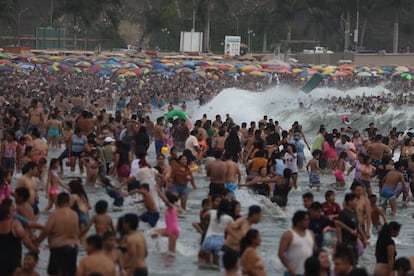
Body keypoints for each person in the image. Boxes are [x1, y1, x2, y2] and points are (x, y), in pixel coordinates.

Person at [36, 192, 79, 276]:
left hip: (59, 248)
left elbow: (46, 230)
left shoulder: (55, 214)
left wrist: (37, 242)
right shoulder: (74, 215)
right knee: (70, 272)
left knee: (55, 272)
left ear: (57, 202)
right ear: (69, 202)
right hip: (73, 247)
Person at [0, 204, 39, 276]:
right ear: (8, 215)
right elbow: (25, 239)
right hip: (13, 260)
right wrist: (34, 248)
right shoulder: (15, 224)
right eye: (11, 212)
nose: (13, 214)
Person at [278, 210, 315, 276]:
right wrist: (289, 267)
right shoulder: (288, 234)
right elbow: (281, 253)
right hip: (292, 272)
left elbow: (315, 251)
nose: (308, 222)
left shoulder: (311, 233)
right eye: (305, 220)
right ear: (298, 222)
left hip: (308, 272)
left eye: (308, 219)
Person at [335, 193, 367, 265]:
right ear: (349, 202)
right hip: (345, 242)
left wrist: (364, 238)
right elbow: (338, 225)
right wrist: (340, 241)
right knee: (346, 263)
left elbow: (358, 226)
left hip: (354, 242)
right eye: (356, 201)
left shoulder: (354, 212)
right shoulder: (343, 213)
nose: (357, 203)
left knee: (355, 263)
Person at [200, 199, 233, 265]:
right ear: (228, 208)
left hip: (208, 239)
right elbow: (233, 229)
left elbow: (203, 216)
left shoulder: (212, 212)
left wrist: (206, 224)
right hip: (220, 241)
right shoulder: (229, 218)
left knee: (206, 263)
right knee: (217, 265)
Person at [152, 188, 180, 253]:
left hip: (173, 230)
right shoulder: (174, 207)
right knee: (154, 233)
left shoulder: (172, 207)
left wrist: (159, 192)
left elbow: (165, 200)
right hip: (168, 229)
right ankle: (159, 249)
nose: (164, 202)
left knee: (171, 253)